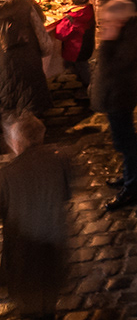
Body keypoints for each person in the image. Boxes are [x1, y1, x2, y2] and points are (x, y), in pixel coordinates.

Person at [0, 114, 70, 320]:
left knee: (29, 307)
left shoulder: (6, 176)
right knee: (48, 300)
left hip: (23, 252)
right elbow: (67, 193)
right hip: (53, 245)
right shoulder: (60, 160)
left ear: (16, 142)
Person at [91, 0, 137, 211]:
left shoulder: (130, 38)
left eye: (108, 20)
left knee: (126, 141)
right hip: (117, 93)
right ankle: (127, 176)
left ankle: (132, 187)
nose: (105, 24)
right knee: (123, 139)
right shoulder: (127, 33)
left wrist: (107, 39)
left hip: (120, 94)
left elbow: (113, 65)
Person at [0, 0, 51, 119]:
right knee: (32, 88)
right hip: (28, 52)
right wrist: (46, 48)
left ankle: (17, 128)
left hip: (4, 59)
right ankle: (35, 123)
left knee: (10, 90)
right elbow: (39, 26)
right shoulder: (23, 1)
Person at [51, 0, 93, 93]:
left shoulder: (72, 18)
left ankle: (89, 88)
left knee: (81, 67)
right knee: (83, 65)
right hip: (87, 44)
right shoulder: (90, 10)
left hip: (75, 48)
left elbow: (60, 34)